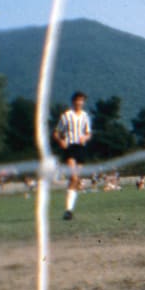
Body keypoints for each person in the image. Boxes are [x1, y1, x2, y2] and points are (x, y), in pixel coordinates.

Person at [53, 91, 93, 220]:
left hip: (80, 148)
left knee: (76, 179)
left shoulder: (85, 116)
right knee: (74, 177)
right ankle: (68, 210)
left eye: (82, 100)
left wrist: (85, 138)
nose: (79, 103)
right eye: (77, 100)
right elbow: (56, 133)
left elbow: (88, 133)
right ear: (73, 102)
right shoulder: (66, 116)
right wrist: (61, 141)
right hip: (70, 147)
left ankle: (69, 210)